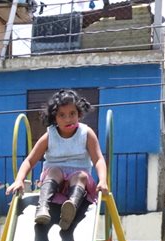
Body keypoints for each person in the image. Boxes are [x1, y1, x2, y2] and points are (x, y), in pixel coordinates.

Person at [7, 89, 109, 230]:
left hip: (78, 185)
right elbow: (30, 160)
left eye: (72, 114)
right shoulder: (50, 136)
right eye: (62, 115)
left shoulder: (86, 134)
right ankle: (42, 207)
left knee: (81, 175)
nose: (68, 119)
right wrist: (19, 180)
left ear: (79, 114)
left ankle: (71, 207)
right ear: (54, 118)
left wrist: (102, 180)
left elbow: (98, 159)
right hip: (55, 184)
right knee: (54, 170)